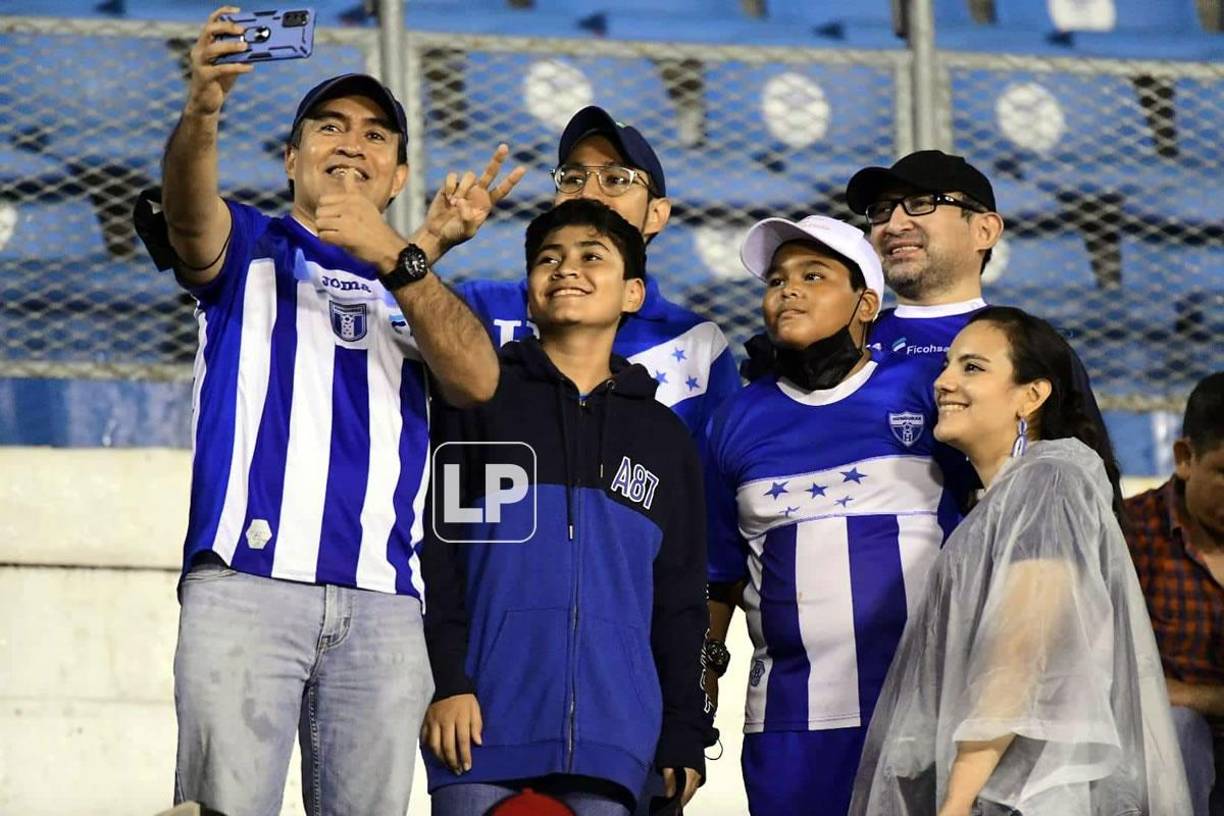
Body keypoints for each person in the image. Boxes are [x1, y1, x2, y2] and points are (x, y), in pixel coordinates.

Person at [155, 8, 523, 814]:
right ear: (292, 160)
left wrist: (404, 251)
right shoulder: (248, 245)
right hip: (247, 586)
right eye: (328, 127)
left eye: (375, 136)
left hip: (386, 603)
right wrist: (204, 108)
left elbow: (476, 380)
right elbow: (187, 215)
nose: (351, 143)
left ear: (396, 178)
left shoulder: (415, 284)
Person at [420, 199, 714, 815]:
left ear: (633, 293)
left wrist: (684, 734)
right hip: (478, 730)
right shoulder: (480, 404)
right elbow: (443, 562)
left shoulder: (664, 438)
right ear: (528, 294)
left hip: (617, 741)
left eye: (591, 257)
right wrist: (449, 682)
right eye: (547, 259)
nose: (565, 269)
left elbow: (680, 604)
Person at [851, 306, 1192, 816]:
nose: (943, 381)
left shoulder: (1048, 482)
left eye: (972, 367)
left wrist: (956, 802)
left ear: (1032, 395)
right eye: (947, 365)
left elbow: (1019, 653)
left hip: (1026, 796)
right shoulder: (1012, 494)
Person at [702, 215, 965, 815]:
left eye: (813, 275)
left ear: (866, 303)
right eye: (776, 281)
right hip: (791, 725)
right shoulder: (732, 420)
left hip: (930, 705)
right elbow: (718, 575)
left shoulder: (930, 390)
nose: (786, 290)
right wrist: (702, 684)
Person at [456, 106, 740, 440]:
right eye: (573, 179)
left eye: (616, 179)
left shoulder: (695, 343)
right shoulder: (480, 309)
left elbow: (711, 479)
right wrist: (433, 243)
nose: (588, 194)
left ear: (657, 214)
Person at [1125, 370, 1224, 816]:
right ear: (1185, 457)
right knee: (1180, 731)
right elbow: (1100, 678)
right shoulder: (1127, 535)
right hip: (1157, 756)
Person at [844, 149, 1002, 360]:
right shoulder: (846, 344)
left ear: (984, 231)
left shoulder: (1024, 348)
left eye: (920, 204)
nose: (894, 225)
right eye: (881, 210)